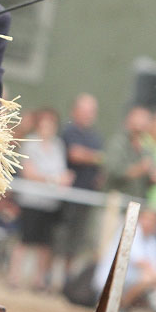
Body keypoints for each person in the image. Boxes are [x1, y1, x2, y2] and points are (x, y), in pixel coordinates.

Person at [7, 107, 74, 290]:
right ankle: (14, 277)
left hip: (50, 202)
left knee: (44, 243)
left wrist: (56, 179)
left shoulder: (58, 145)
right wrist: (53, 179)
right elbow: (29, 172)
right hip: (31, 200)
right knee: (24, 239)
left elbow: (62, 172)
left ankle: (39, 280)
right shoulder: (30, 143)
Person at [92, 209, 156, 312]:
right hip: (112, 278)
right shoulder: (131, 232)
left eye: (152, 221)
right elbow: (138, 261)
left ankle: (127, 304)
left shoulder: (152, 241)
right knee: (148, 278)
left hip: (130, 280)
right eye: (147, 219)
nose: (149, 223)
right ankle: (122, 306)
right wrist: (155, 275)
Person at [60, 93, 104, 271]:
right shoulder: (69, 131)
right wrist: (94, 157)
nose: (88, 115)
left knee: (77, 240)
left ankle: (67, 275)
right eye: (85, 111)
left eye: (91, 111)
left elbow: (101, 161)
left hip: (86, 195)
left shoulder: (95, 137)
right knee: (61, 237)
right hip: (66, 195)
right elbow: (75, 154)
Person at [103, 105, 153, 198]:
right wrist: (138, 169)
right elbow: (113, 170)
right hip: (115, 198)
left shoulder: (146, 147)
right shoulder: (119, 142)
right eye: (140, 117)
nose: (143, 122)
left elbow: (151, 177)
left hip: (135, 201)